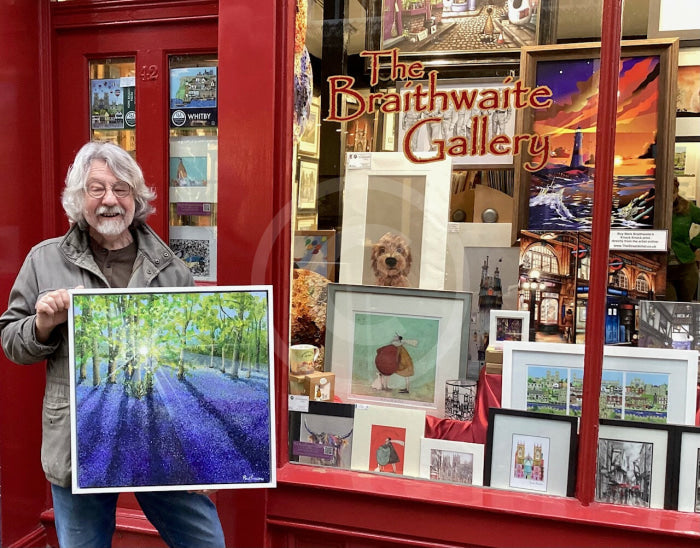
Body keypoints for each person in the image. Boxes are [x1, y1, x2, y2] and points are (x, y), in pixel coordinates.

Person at [0, 141, 225, 548]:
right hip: (79, 444)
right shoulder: (44, 260)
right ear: (78, 199)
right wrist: (43, 325)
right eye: (96, 189)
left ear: (136, 200)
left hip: (161, 441)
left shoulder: (171, 269)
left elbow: (195, 369)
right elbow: (11, 342)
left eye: (121, 189)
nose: (110, 200)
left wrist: (203, 460)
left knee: (206, 542)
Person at [666, 177, 700, 302]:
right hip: (662, 270)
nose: (670, 197)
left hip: (686, 267)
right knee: (668, 309)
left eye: (673, 193)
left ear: (677, 192)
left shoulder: (687, 208)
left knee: (685, 310)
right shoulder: (651, 207)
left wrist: (694, 244)